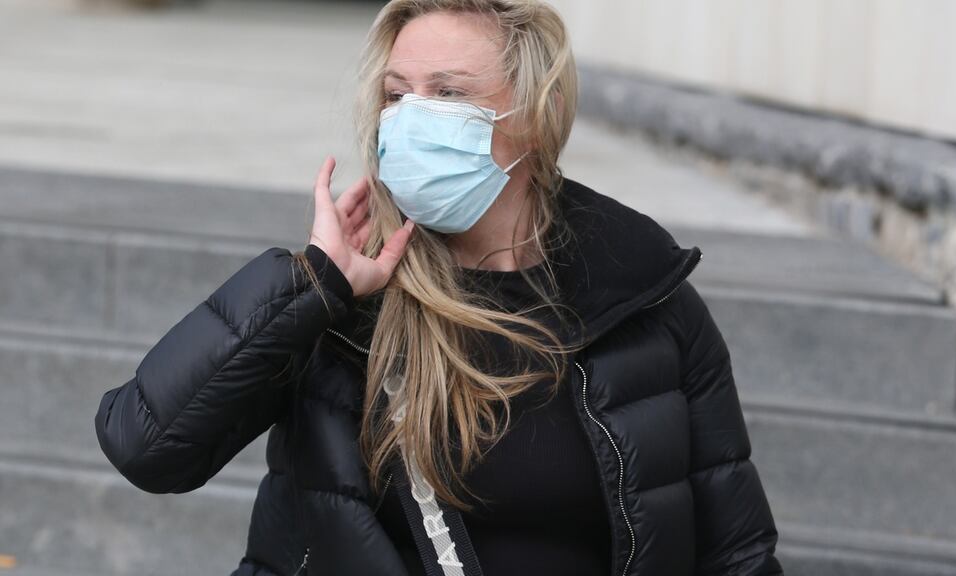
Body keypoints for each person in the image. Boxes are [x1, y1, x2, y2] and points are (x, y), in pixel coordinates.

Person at [94, 0, 784, 575]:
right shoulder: (344, 306)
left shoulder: (644, 298)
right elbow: (145, 446)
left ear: (536, 118)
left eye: (449, 93)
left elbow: (738, 552)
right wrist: (312, 285)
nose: (411, 117)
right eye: (397, 94)